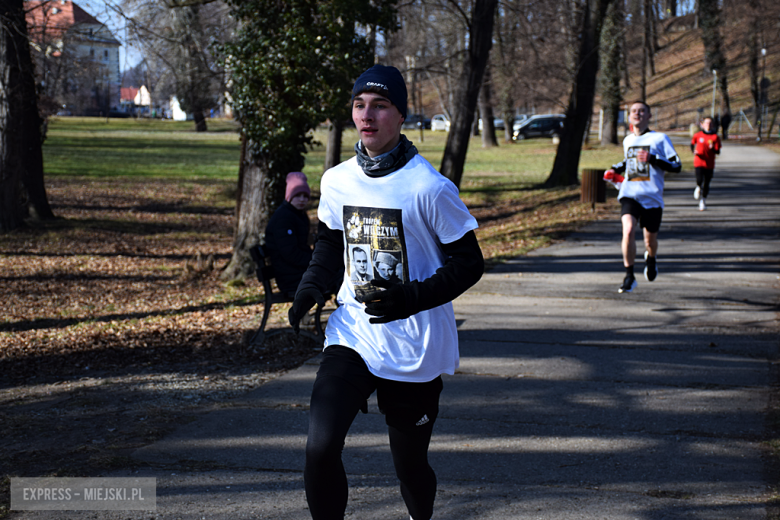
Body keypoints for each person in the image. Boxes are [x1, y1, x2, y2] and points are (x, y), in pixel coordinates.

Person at [288, 64, 484, 520]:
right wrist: (312, 286)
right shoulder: (337, 180)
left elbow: (470, 264)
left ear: (401, 116)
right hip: (353, 333)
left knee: (410, 467)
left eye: (380, 105)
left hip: (413, 345)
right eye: (359, 105)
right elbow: (331, 244)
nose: (367, 115)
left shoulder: (429, 188)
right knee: (319, 448)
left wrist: (409, 298)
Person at [604, 101, 681, 294]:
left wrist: (653, 159)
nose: (637, 114)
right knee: (628, 230)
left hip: (652, 197)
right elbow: (628, 161)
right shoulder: (628, 140)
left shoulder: (660, 139)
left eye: (641, 111)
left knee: (650, 241)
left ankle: (651, 258)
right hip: (630, 194)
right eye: (633, 111)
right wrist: (614, 169)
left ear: (649, 116)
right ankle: (629, 276)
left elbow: (676, 165)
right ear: (629, 116)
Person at [263, 172, 313, 297]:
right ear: (289, 196)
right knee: (337, 276)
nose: (302, 199)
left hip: (297, 273)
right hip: (291, 278)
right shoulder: (284, 218)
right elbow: (290, 253)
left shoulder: (298, 215)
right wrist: (316, 262)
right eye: (297, 195)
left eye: (305, 196)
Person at [690, 116, 721, 211]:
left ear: (713, 125)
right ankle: (698, 186)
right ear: (702, 124)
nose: (708, 125)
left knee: (707, 183)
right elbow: (692, 144)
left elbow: (718, 152)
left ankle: (703, 200)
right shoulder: (697, 135)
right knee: (699, 180)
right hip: (699, 162)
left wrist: (713, 148)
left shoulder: (715, 137)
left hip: (709, 164)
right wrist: (693, 151)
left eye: (710, 123)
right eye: (707, 123)